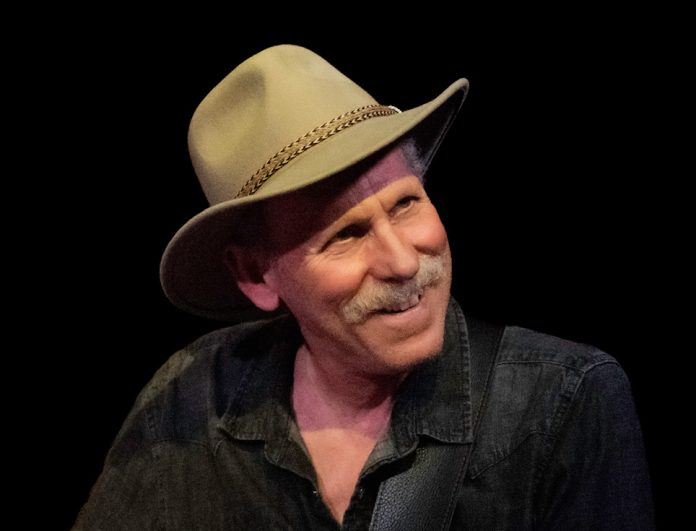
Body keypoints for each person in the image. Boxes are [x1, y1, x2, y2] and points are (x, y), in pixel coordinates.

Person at [73, 44, 654, 530]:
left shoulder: (564, 402)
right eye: (345, 235)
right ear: (254, 275)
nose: (402, 263)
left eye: (406, 204)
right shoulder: (191, 397)